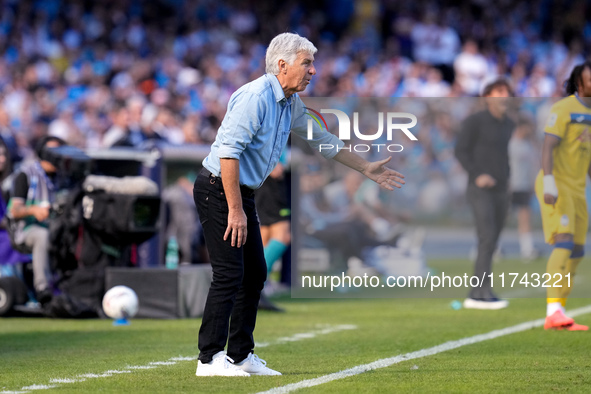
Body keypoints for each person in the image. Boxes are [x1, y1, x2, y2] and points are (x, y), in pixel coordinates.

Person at [193, 32, 405, 377]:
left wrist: (366, 168)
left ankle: (239, 357)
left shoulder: (289, 103)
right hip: (218, 189)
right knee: (230, 273)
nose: (314, 71)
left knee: (256, 274)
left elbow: (323, 141)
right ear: (282, 65)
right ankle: (208, 359)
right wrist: (235, 209)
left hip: (239, 192)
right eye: (307, 63)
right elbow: (228, 154)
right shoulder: (254, 97)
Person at [534, 61, 591, 331]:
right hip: (556, 182)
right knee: (564, 243)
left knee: (578, 250)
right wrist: (548, 181)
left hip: (578, 188)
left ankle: (561, 313)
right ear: (579, 82)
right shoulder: (564, 109)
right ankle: (552, 311)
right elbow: (548, 147)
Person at [455, 78, 515, 310]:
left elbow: (503, 156)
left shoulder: (509, 124)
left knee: (494, 240)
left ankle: (481, 290)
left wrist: (508, 179)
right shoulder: (474, 121)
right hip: (479, 188)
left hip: (502, 188)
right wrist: (478, 174)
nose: (504, 96)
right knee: (487, 237)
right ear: (487, 96)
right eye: (499, 91)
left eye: (507, 92)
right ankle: (478, 294)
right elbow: (460, 151)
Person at [7, 136, 65, 305]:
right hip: (26, 230)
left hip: (57, 229)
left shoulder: (63, 177)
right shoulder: (26, 175)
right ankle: (42, 287)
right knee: (42, 235)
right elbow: (14, 210)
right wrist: (34, 209)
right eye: (51, 152)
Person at [508, 115, 540, 261]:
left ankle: (527, 248)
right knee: (498, 218)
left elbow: (533, 165)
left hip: (523, 185)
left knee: (525, 217)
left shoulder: (528, 145)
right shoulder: (511, 144)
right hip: (510, 185)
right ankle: (490, 247)